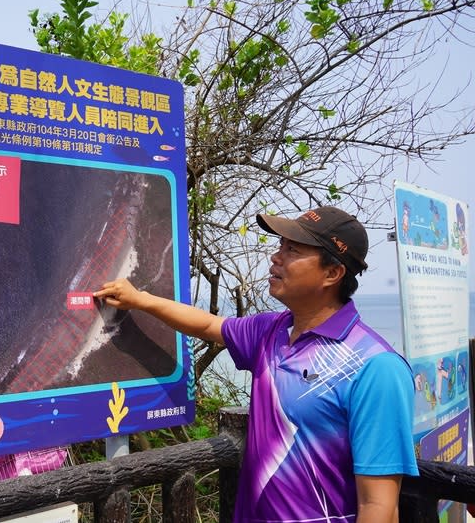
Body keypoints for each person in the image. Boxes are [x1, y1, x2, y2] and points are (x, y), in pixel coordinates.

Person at [94, 206, 418, 522]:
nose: (276, 257)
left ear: (332, 273)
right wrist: (140, 299)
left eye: (293, 249)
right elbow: (208, 325)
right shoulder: (271, 332)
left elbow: (380, 506)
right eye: (280, 245)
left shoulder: (376, 368)